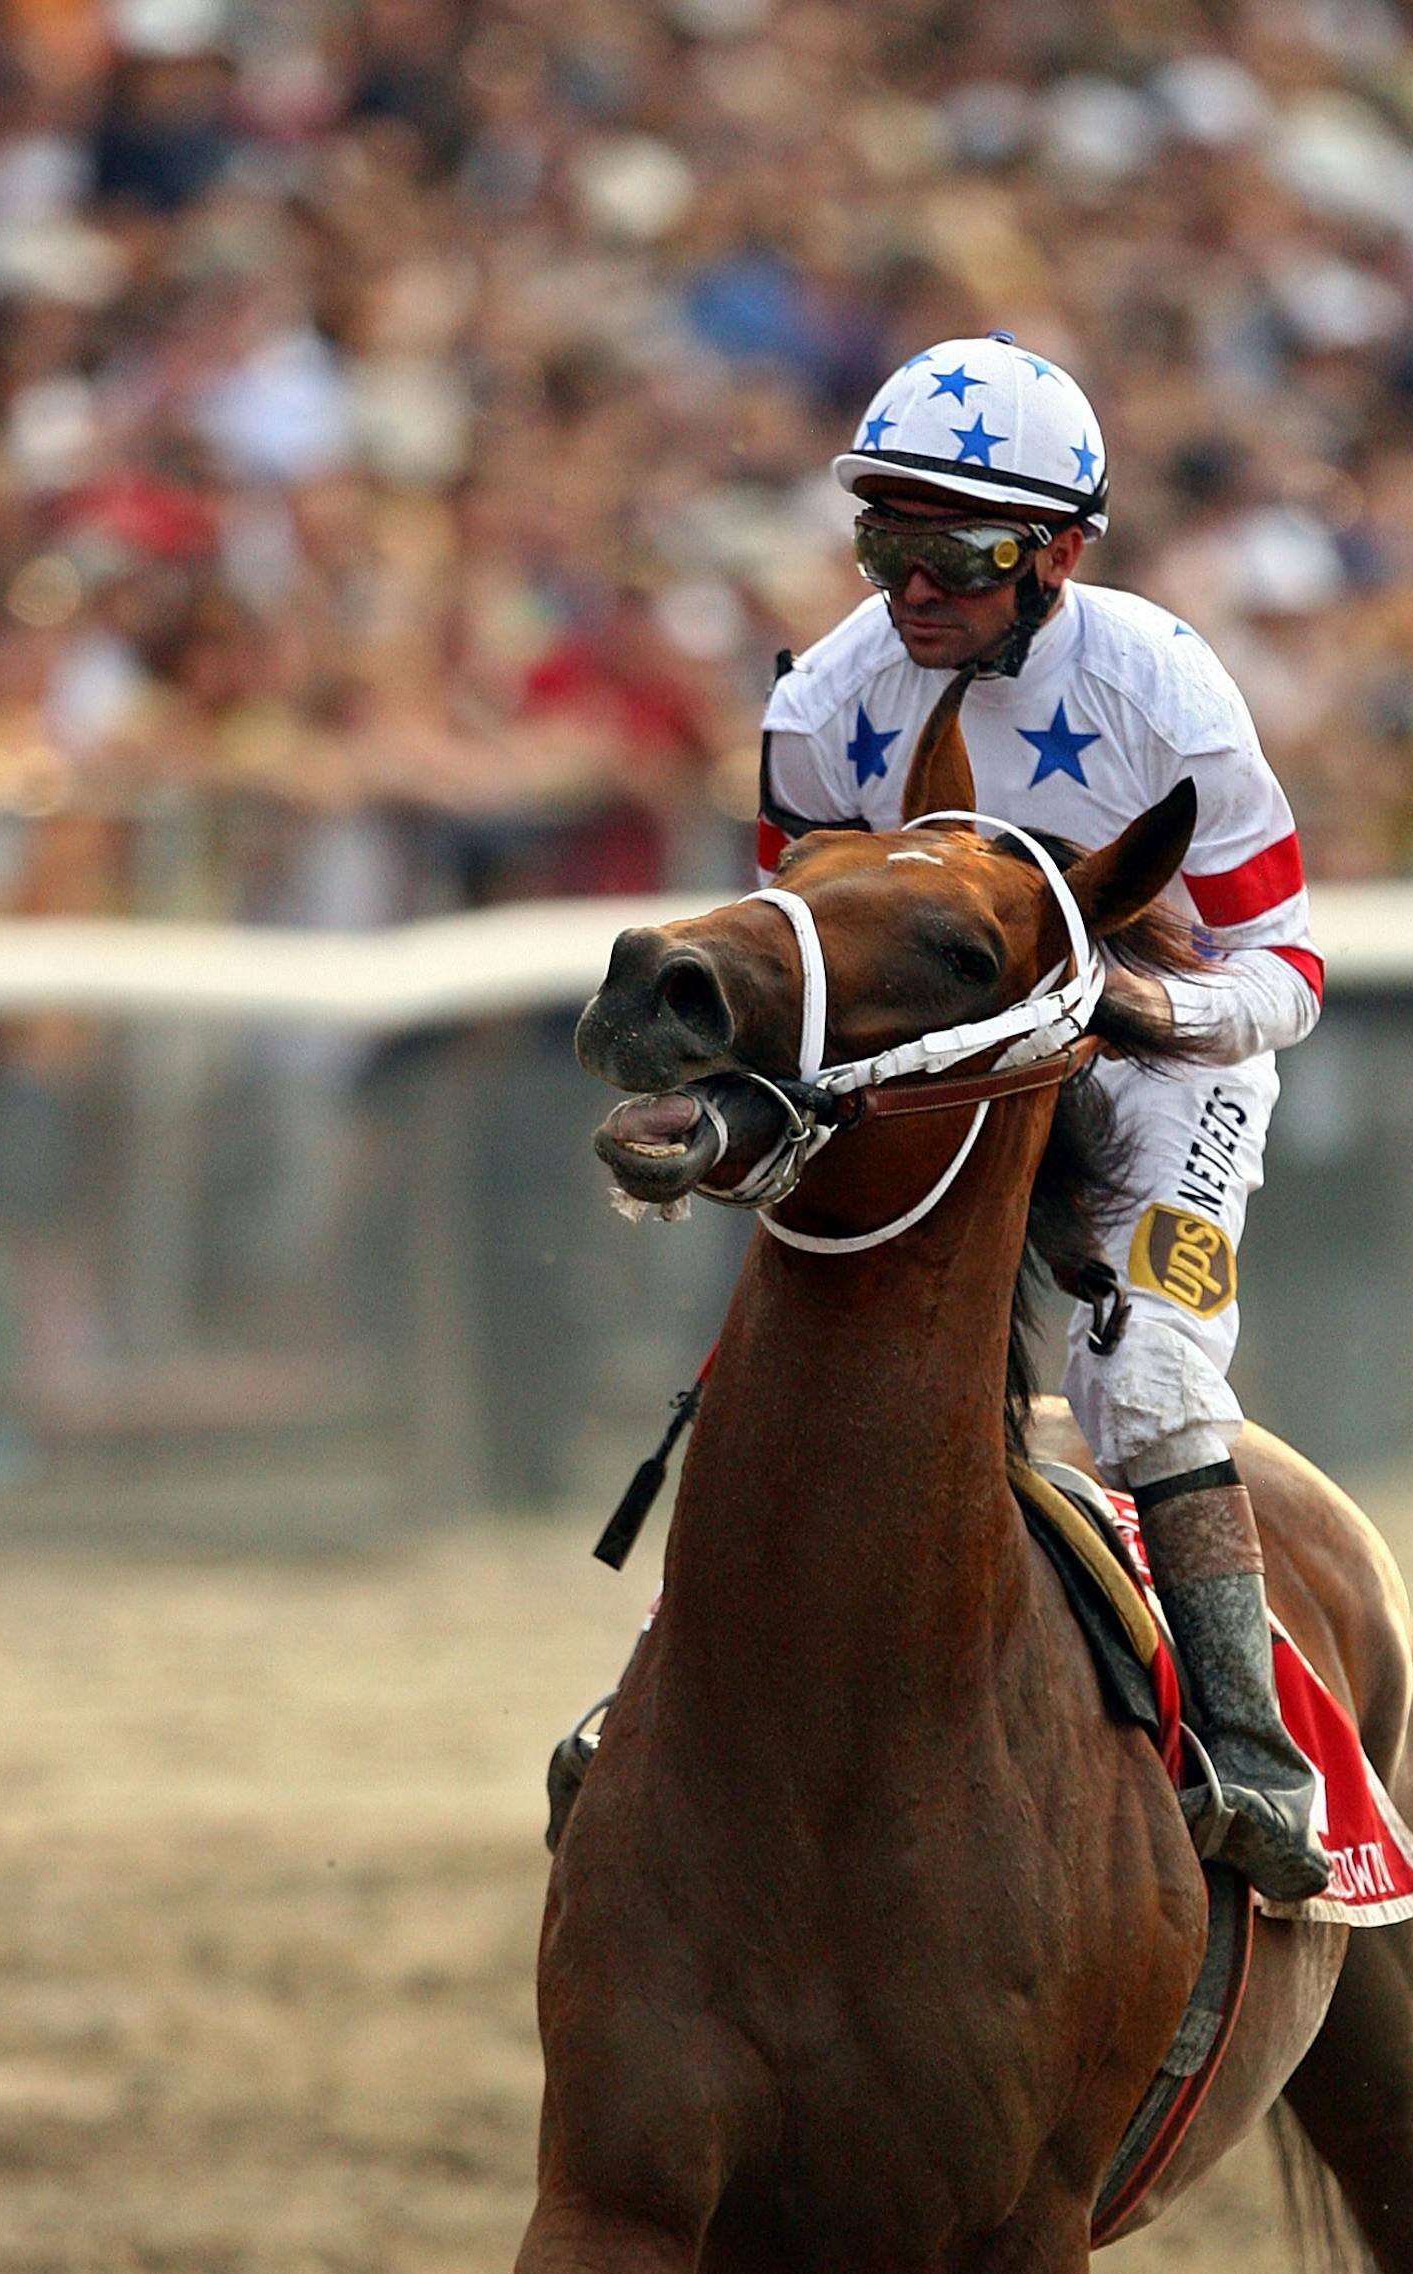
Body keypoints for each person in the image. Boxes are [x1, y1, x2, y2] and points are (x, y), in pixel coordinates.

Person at [565, 333, 1330, 1906]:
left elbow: (1290, 965)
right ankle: (654, 1691)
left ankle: (1252, 1753)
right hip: (945, 1057)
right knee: (801, 1331)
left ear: (1059, 552)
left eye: (959, 555)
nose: (913, 591)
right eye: (886, 546)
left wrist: (1139, 1014)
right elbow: (807, 991)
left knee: (1147, 1364)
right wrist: (716, 1121)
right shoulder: (827, 699)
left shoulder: (1160, 686)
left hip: (1151, 1060)